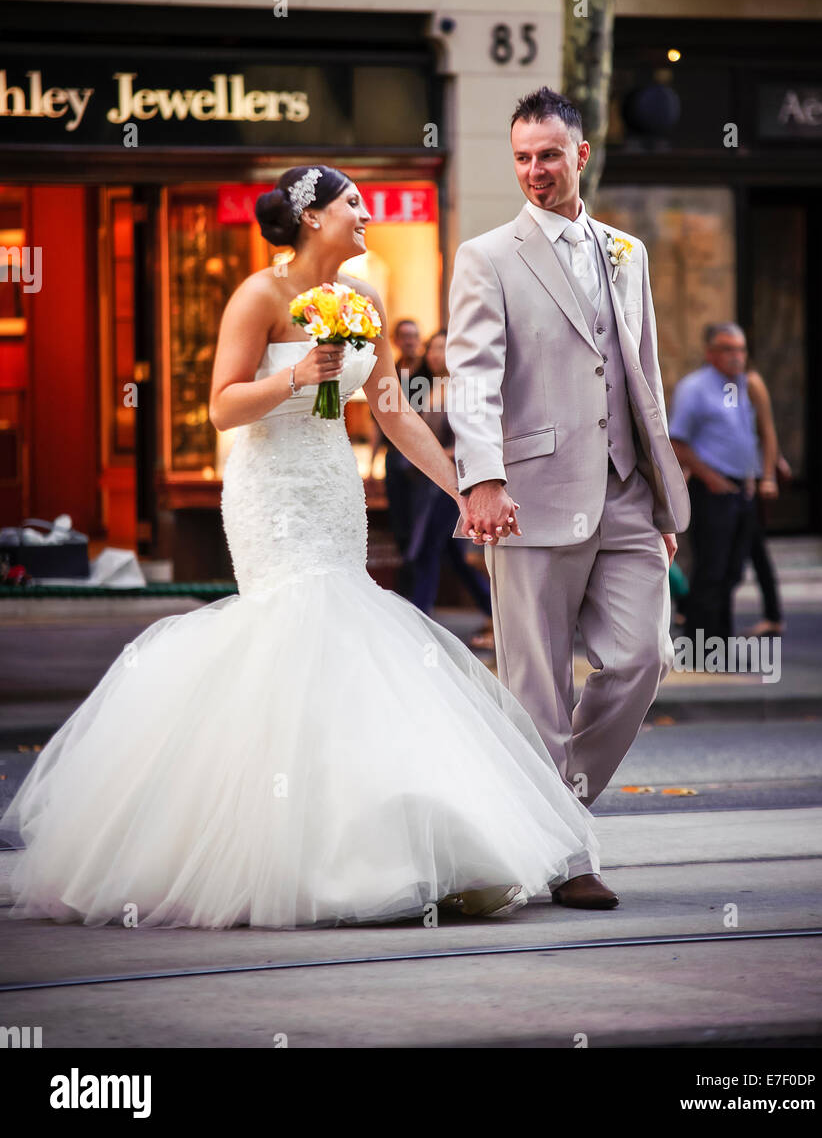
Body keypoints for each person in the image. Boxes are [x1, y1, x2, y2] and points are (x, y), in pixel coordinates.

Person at [0, 164, 603, 930]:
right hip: (269, 490)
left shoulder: (365, 302)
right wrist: (297, 380)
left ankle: (388, 847)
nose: (366, 218)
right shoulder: (258, 295)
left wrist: (466, 488)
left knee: (346, 634)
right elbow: (220, 407)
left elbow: (392, 412)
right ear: (313, 217)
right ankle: (283, 853)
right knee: (296, 629)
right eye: (354, 206)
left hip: (329, 484)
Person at [446, 87, 690, 910]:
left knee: (641, 658)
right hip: (529, 495)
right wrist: (481, 477)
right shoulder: (486, 256)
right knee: (536, 687)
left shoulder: (626, 251)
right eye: (520, 157)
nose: (533, 171)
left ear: (579, 155)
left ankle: (548, 813)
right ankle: (563, 856)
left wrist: (661, 501)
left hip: (624, 493)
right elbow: (472, 377)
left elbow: (642, 373)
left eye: (548, 155)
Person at [669, 323, 760, 664]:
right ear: (710, 352)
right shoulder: (694, 388)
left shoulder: (742, 386)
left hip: (741, 490)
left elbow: (746, 436)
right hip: (711, 491)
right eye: (728, 349)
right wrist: (710, 477)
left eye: (741, 349)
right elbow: (677, 441)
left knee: (733, 571)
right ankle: (700, 648)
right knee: (711, 570)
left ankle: (721, 644)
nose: (737, 356)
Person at [405, 330, 494, 627]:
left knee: (427, 550)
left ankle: (420, 617)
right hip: (428, 483)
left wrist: (437, 453)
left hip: (452, 481)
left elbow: (469, 438)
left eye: (441, 348)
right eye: (430, 348)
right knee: (450, 555)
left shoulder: (460, 389)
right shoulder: (430, 388)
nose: (434, 354)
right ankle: (492, 613)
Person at [368, 317, 425, 592]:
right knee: (400, 526)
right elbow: (380, 422)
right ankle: (407, 589)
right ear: (396, 340)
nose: (410, 341)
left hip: (422, 460)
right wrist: (371, 464)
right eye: (405, 336)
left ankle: (416, 591)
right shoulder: (390, 373)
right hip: (395, 458)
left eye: (414, 335)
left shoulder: (430, 372)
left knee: (420, 529)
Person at [745, 368, 788, 637]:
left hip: (752, 479)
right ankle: (773, 615)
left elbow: (767, 431)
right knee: (754, 551)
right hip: (740, 478)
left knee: (755, 548)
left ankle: (773, 616)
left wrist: (769, 476)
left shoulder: (750, 381)